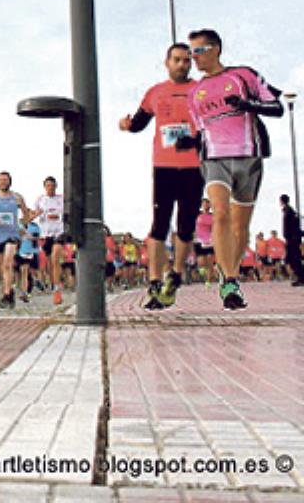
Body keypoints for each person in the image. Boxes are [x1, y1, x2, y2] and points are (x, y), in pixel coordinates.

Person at [175, 29, 283, 310]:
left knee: (240, 225)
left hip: (248, 155)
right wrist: (189, 141)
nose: (194, 57)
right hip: (214, 159)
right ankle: (229, 281)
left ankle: (229, 271)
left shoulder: (243, 75)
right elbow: (199, 131)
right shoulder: (195, 93)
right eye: (191, 52)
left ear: (216, 49)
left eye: (199, 51)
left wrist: (248, 105)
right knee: (220, 213)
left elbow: (277, 106)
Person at [120, 43, 202, 310]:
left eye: (186, 60)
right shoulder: (156, 92)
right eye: (177, 60)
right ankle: (154, 281)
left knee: (186, 225)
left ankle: (175, 275)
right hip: (164, 166)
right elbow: (139, 123)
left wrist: (195, 140)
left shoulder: (200, 90)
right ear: (167, 63)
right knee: (159, 224)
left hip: (195, 166)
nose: (182, 64)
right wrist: (127, 125)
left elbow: (213, 126)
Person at [0, 171, 31, 310]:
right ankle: (9, 292)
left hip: (12, 235)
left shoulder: (17, 197)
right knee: (3, 267)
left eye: (5, 180)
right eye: (0, 180)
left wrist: (22, 226)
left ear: (10, 181)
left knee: (8, 263)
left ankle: (6, 294)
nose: (3, 182)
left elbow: (26, 216)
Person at [31, 176, 68, 305]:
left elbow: (67, 213)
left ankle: (57, 289)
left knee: (55, 258)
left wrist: (60, 216)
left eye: (52, 186)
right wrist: (34, 215)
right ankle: (55, 284)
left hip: (59, 232)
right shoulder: (40, 200)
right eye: (48, 186)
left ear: (56, 186)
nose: (50, 188)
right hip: (46, 234)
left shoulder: (61, 199)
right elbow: (33, 214)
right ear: (45, 187)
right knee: (49, 265)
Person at [281, 194, 302, 285]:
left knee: (294, 259)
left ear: (281, 201)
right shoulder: (290, 211)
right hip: (292, 239)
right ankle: (300, 277)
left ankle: (301, 277)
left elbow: (293, 228)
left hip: (292, 240)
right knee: (292, 259)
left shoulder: (289, 212)